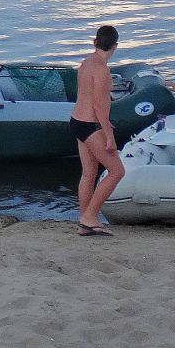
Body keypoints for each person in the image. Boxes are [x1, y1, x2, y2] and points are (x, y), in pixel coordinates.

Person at [72, 25, 123, 236]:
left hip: (77, 121)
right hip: (91, 125)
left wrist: (105, 125)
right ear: (115, 46)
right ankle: (90, 217)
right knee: (117, 171)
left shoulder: (86, 62)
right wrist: (109, 135)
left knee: (89, 173)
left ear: (95, 42)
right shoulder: (102, 70)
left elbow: (85, 96)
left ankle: (84, 222)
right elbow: (98, 106)